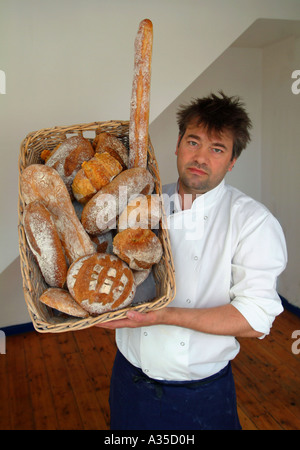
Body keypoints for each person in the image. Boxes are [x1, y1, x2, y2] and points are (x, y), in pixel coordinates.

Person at [97, 92, 287, 430]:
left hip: (199, 393)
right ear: (177, 145)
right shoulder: (144, 202)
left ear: (232, 162)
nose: (200, 157)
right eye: (193, 142)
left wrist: (163, 317)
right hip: (129, 379)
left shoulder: (252, 221)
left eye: (217, 149)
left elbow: (255, 320)